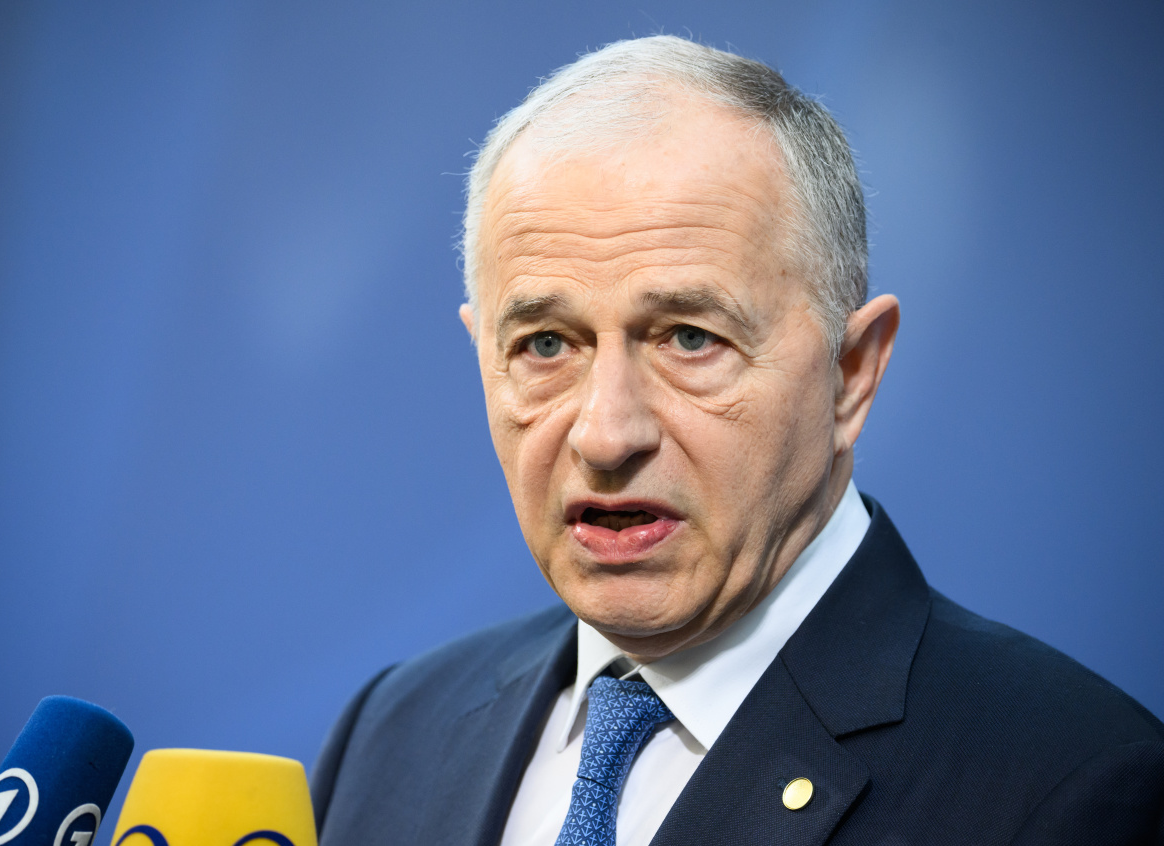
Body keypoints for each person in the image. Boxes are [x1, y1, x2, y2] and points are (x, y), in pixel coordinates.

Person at [310, 36, 1164, 845]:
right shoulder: (390, 735)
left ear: (851, 372)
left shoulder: (1073, 788)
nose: (606, 435)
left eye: (689, 338)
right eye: (545, 345)